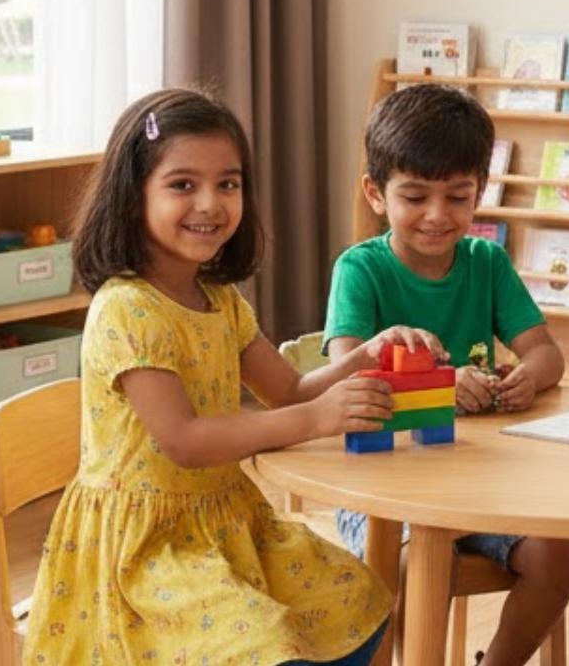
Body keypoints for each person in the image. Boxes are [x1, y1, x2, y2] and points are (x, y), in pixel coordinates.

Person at [22, 86, 443, 666]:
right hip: (143, 551)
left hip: (226, 524)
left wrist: (365, 354)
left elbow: (289, 391)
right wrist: (316, 419)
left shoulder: (220, 299)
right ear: (131, 197)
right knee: (266, 647)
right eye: (182, 184)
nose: (210, 203)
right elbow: (186, 441)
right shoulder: (127, 308)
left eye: (228, 183)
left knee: (362, 604)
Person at [323, 82, 569, 666]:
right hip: (387, 490)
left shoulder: (485, 262)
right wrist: (440, 382)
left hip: (481, 481)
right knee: (419, 568)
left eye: (457, 196)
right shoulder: (360, 269)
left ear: (479, 193)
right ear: (376, 193)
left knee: (558, 555)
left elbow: (546, 354)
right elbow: (345, 376)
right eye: (414, 197)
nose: (437, 216)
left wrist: (527, 377)